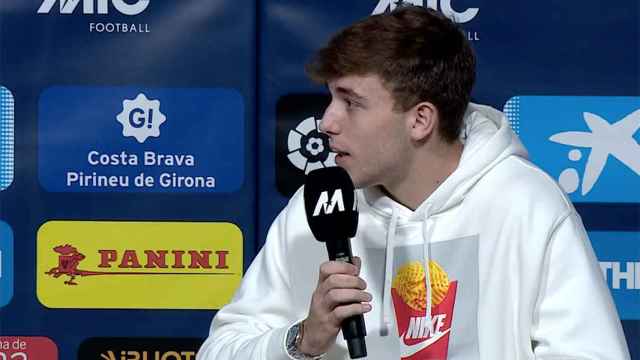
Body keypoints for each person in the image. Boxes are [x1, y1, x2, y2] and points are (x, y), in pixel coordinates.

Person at [197, 6, 630, 360]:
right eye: (330, 99)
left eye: (351, 102)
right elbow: (219, 351)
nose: (326, 122)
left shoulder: (526, 205)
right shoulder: (316, 207)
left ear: (420, 120)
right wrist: (300, 341)